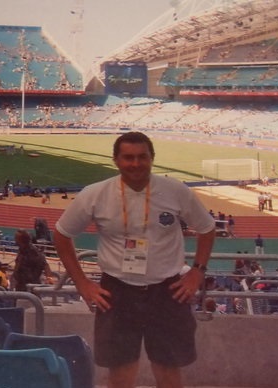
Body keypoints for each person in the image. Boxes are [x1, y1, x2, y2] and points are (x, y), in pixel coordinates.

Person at [53, 131, 216, 388]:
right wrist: (82, 283)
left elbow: (207, 228)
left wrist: (197, 271)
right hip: (117, 291)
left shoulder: (176, 191)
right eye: (128, 158)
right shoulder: (95, 194)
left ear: (152, 158)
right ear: (116, 160)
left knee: (168, 372)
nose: (135, 164)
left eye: (142, 157)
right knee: (119, 374)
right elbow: (62, 234)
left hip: (168, 291)